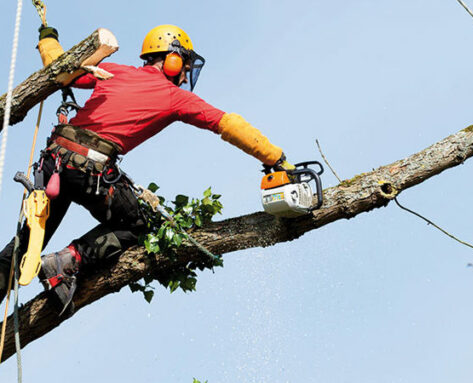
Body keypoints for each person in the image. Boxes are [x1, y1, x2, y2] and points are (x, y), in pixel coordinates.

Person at [0, 25, 295, 313]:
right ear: (173, 58)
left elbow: (59, 68)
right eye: (184, 66)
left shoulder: (116, 70)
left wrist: (47, 39)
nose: (183, 77)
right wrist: (275, 158)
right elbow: (228, 124)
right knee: (137, 226)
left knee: (24, 246)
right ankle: (69, 260)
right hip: (90, 170)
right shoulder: (174, 97)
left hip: (55, 163)